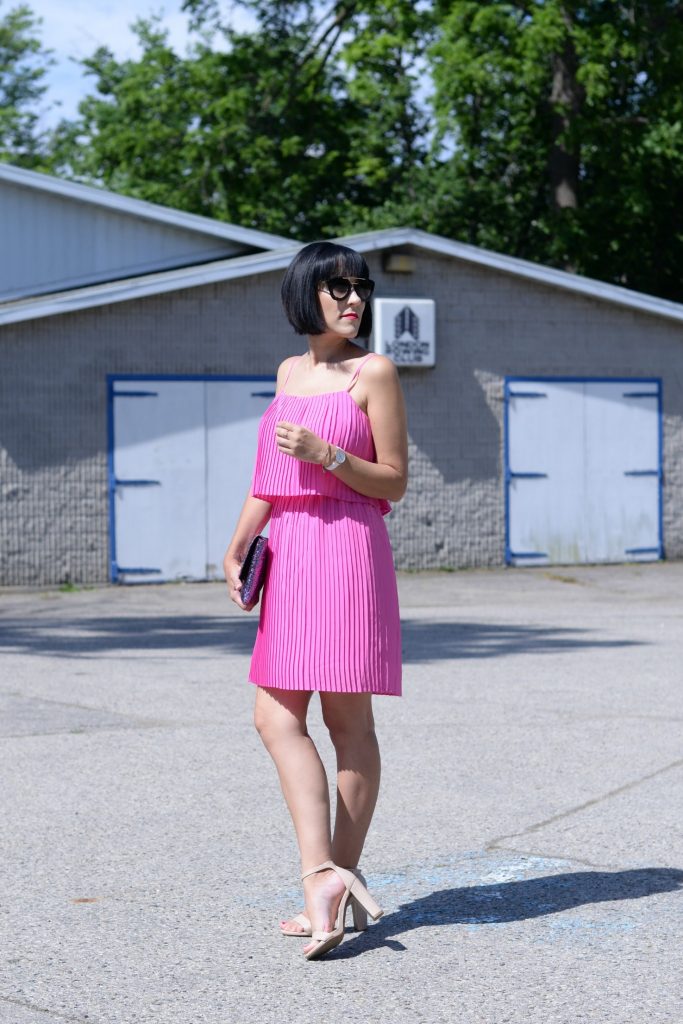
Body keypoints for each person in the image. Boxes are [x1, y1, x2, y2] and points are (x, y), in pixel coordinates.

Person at [223, 241, 408, 961]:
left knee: (344, 718)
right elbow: (268, 475)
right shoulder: (288, 372)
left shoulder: (375, 372)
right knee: (275, 716)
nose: (352, 300)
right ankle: (327, 876)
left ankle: (329, 877)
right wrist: (240, 542)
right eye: (337, 290)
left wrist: (330, 456)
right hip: (291, 549)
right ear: (304, 296)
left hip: (346, 548)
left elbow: (393, 481)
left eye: (358, 288)